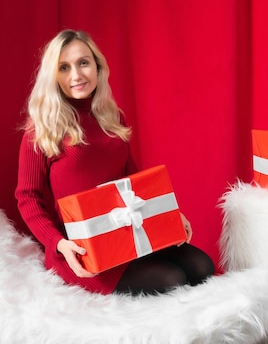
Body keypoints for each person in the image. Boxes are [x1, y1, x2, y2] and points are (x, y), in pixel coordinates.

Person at [15, 29, 214, 295]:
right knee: (172, 279)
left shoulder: (111, 118)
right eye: (64, 67)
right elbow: (27, 197)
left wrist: (165, 215)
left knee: (202, 266)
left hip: (126, 233)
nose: (76, 75)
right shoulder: (42, 129)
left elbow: (133, 182)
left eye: (83, 63)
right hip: (80, 248)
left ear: (97, 68)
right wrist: (59, 244)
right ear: (53, 75)